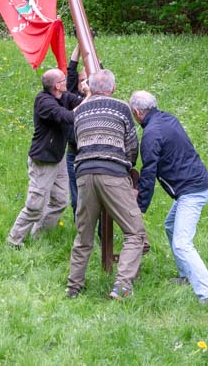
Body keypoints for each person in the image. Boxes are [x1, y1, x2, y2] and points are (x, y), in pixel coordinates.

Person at [129, 90, 208, 305]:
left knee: (181, 243)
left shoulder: (151, 135)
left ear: (136, 112)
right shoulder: (167, 118)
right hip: (195, 184)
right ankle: (186, 276)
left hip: (192, 191)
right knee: (171, 225)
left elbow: (149, 173)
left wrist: (140, 206)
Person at [67, 69, 146, 300]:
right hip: (112, 174)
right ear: (112, 88)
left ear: (90, 87)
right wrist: (129, 167)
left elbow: (76, 140)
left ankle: (73, 287)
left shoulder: (79, 110)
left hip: (83, 175)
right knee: (135, 232)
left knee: (84, 234)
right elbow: (132, 144)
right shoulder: (121, 107)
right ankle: (122, 287)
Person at [6, 68, 85, 248]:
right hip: (43, 160)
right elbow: (68, 116)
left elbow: (78, 102)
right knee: (35, 205)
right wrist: (88, 96)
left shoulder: (63, 97)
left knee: (60, 200)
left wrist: (89, 95)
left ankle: (38, 236)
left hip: (58, 158)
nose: (67, 81)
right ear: (57, 85)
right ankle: (14, 240)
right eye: (63, 79)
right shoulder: (44, 102)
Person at [65, 43, 90, 218]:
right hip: (73, 153)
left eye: (88, 80)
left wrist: (90, 43)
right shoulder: (72, 96)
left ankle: (100, 235)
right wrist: (80, 44)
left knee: (95, 198)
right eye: (82, 80)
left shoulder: (99, 97)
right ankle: (81, 232)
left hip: (91, 154)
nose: (84, 83)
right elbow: (72, 68)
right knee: (76, 199)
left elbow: (97, 65)